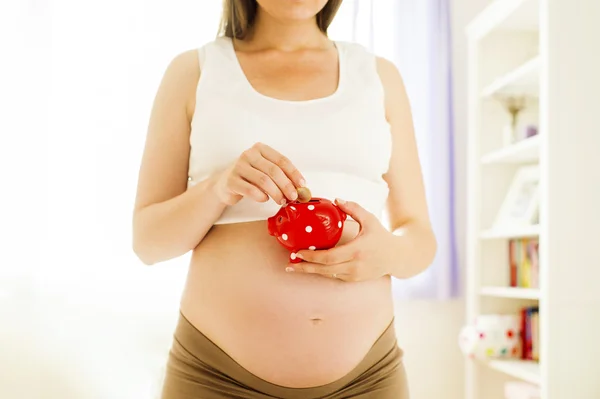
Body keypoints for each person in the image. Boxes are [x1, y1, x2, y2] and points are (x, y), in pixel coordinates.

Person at [132, 0, 436, 398]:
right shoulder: (195, 72)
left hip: (367, 381)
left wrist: (387, 254)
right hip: (216, 379)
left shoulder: (379, 76)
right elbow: (148, 242)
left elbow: (420, 238)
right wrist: (218, 188)